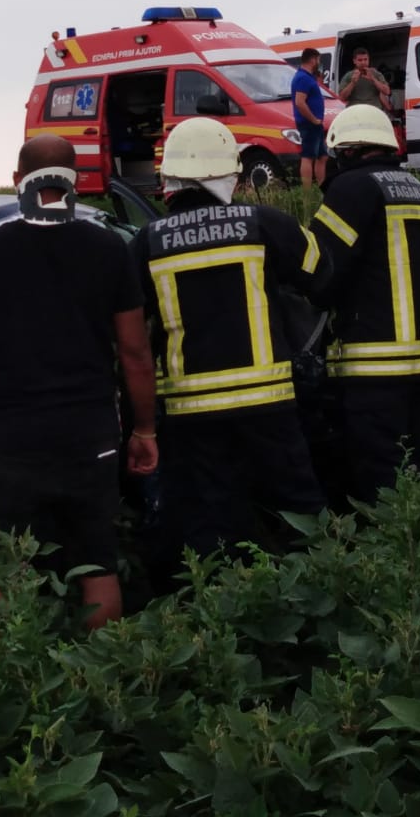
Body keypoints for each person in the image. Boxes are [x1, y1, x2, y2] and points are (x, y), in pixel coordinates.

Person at [0, 135, 157, 629]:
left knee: (2, 565)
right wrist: (144, 430)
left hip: (10, 436)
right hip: (90, 434)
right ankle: (104, 666)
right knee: (97, 562)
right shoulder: (108, 247)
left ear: (19, 181)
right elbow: (135, 351)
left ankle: (13, 662)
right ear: (74, 181)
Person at [132, 118, 325, 567]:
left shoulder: (146, 243)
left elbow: (128, 330)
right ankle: (321, 589)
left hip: (190, 411)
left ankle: (224, 602)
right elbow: (322, 275)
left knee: (209, 525)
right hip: (269, 403)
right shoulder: (266, 223)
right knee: (300, 512)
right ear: (230, 175)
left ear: (169, 179)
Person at [306, 105, 420, 502]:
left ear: (347, 150)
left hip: (374, 358)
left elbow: (322, 268)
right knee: (418, 460)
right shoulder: (418, 189)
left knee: (378, 470)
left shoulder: (352, 188)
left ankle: (388, 539)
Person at [291, 49, 329, 186]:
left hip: (315, 124)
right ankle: (307, 192)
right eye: (318, 60)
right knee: (308, 156)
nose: (319, 63)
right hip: (309, 123)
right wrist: (313, 119)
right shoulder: (303, 78)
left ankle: (321, 186)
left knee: (322, 156)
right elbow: (299, 102)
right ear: (313, 60)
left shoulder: (308, 77)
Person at [337, 47, 391, 111]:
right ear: (354, 61)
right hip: (355, 111)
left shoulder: (376, 74)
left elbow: (387, 91)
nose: (363, 62)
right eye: (360, 60)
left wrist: (373, 79)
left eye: (365, 59)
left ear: (369, 60)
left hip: (374, 111)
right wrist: (352, 83)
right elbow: (342, 97)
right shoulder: (349, 76)